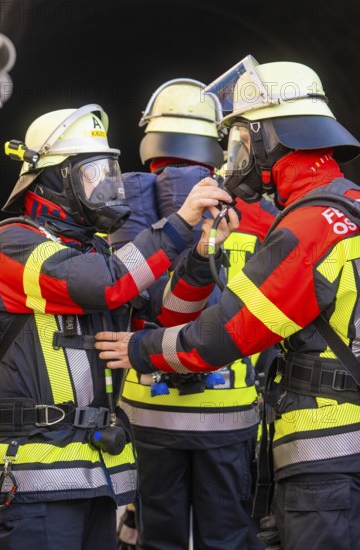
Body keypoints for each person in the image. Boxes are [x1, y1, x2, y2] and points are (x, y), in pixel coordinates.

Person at [95, 56, 360, 550]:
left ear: (269, 137)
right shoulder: (352, 204)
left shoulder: (308, 224)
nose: (235, 153)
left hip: (328, 454)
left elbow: (229, 333)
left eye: (241, 138)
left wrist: (139, 348)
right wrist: (202, 255)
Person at [0, 103, 236, 550]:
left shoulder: (94, 252)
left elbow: (166, 316)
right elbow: (107, 286)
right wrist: (181, 223)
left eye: (109, 172)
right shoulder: (13, 243)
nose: (107, 186)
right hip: (32, 481)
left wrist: (202, 258)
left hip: (93, 475)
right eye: (92, 174)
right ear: (54, 179)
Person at [111, 78, 277, 550]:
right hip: (226, 413)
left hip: (147, 412)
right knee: (226, 535)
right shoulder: (257, 212)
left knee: (156, 537)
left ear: (149, 140)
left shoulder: (116, 211)